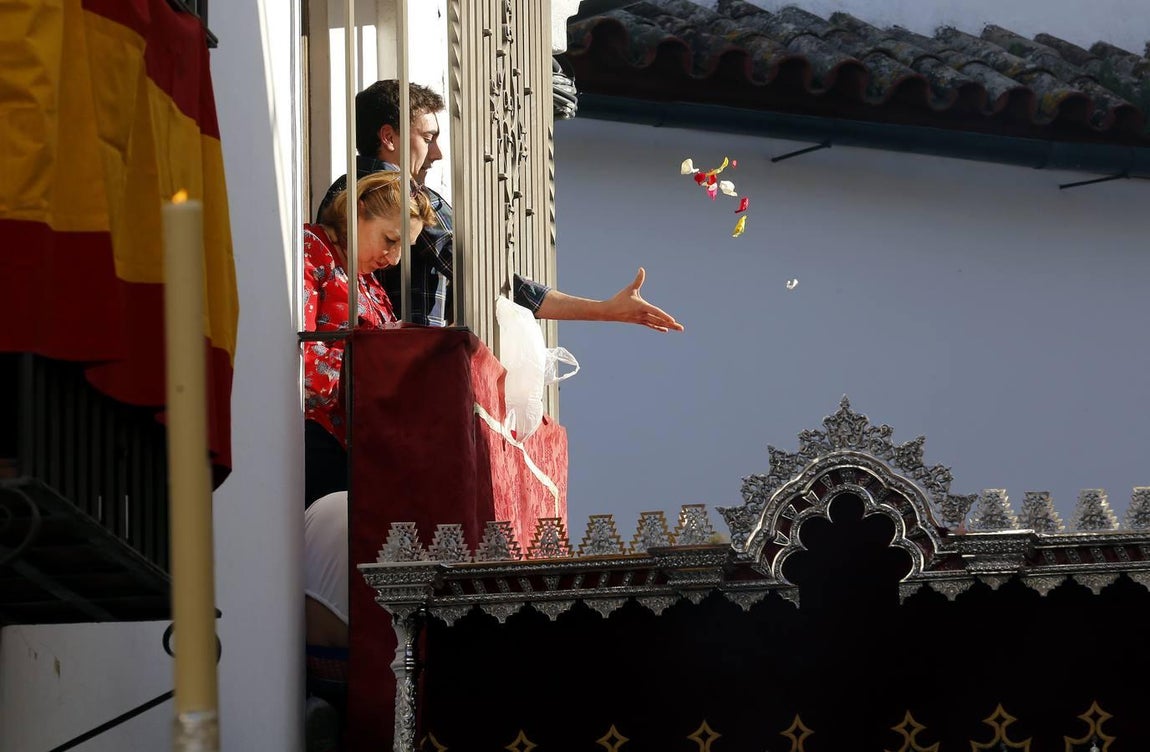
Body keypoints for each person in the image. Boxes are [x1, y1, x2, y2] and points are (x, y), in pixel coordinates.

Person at [317, 79, 685, 333]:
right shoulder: (405, 196)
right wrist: (603, 310)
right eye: (428, 138)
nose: (437, 153)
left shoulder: (340, 191)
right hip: (396, 377)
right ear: (388, 137)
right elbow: (487, 278)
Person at [303, 170, 438, 506]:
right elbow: (298, 350)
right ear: (358, 211)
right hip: (313, 436)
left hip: (362, 445)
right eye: (390, 240)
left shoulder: (370, 284)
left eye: (402, 248)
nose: (393, 259)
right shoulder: (312, 248)